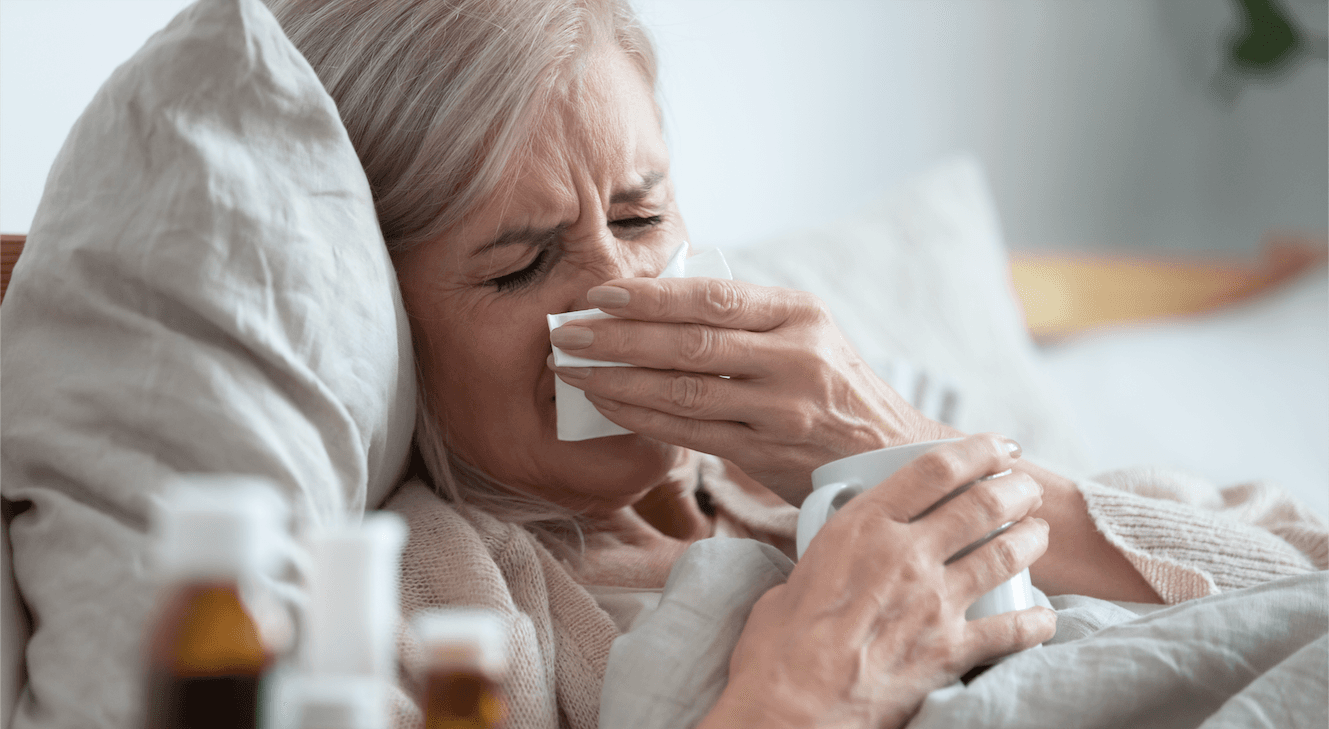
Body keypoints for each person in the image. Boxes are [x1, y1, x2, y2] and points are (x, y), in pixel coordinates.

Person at [269, 1, 1324, 727]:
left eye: (640, 214)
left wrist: (907, 448)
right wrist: (805, 696)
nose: (618, 288)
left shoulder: (861, 427)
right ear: (388, 316)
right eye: (519, 266)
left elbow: (1300, 578)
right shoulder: (435, 592)